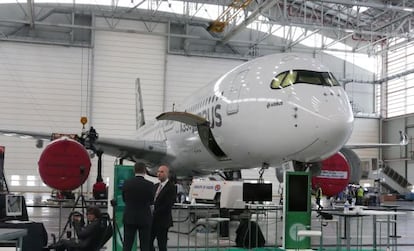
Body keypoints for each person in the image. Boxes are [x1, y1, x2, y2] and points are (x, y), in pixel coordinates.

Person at [122, 162, 155, 251]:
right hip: (144, 218)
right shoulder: (150, 185)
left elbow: (124, 199)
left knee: (127, 245)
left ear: (134, 170)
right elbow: (152, 201)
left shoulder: (127, 183)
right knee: (145, 246)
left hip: (129, 217)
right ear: (145, 171)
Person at [150, 164, 177, 251]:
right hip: (152, 220)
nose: (159, 174)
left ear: (167, 174)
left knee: (161, 244)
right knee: (148, 242)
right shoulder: (155, 186)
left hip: (163, 221)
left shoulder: (171, 187)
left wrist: (155, 211)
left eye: (161, 172)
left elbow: (168, 204)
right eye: (158, 172)